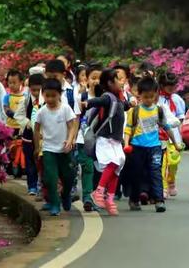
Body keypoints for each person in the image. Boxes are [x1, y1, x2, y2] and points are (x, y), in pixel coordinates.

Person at [124, 77, 180, 213]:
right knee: (136, 174)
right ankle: (134, 199)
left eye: (151, 96)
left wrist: (175, 143)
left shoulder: (159, 111)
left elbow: (166, 127)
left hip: (155, 147)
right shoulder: (134, 111)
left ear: (156, 94)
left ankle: (159, 200)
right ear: (139, 95)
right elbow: (128, 129)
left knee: (156, 173)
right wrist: (126, 144)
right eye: (145, 97)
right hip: (137, 147)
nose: (149, 99)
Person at [84, 69, 127, 216]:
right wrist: (87, 103)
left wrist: (132, 104)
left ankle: (109, 198)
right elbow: (98, 101)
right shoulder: (108, 97)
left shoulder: (119, 99)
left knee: (117, 167)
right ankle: (99, 191)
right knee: (113, 163)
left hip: (115, 140)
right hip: (105, 139)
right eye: (118, 80)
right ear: (110, 83)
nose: (122, 82)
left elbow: (124, 107)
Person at [34, 79, 78, 216]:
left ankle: (66, 195)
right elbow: (36, 129)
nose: (50, 99)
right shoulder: (41, 112)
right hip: (48, 150)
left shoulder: (65, 109)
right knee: (50, 178)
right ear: (43, 95)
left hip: (64, 150)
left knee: (68, 176)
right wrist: (37, 147)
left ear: (59, 94)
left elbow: (72, 126)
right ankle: (54, 203)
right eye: (47, 95)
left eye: (53, 95)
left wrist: (69, 141)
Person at [73, 63, 103, 212]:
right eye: (93, 78)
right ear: (87, 79)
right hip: (83, 139)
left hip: (102, 140)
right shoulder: (81, 97)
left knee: (99, 170)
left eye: (99, 78)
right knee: (87, 167)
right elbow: (76, 119)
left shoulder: (107, 98)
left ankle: (96, 196)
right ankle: (87, 198)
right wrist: (72, 137)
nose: (96, 81)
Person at [14, 73, 45, 195]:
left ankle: (43, 186)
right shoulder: (25, 100)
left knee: (42, 162)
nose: (36, 92)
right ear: (29, 88)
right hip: (28, 136)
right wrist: (27, 122)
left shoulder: (46, 100)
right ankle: (32, 186)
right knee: (30, 161)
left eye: (39, 90)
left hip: (43, 136)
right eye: (33, 90)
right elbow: (18, 115)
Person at [158, 72, 185, 198]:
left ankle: (171, 179)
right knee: (162, 163)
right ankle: (163, 187)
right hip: (160, 135)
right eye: (167, 85)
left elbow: (181, 119)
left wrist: (183, 135)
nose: (170, 88)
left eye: (172, 85)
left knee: (173, 162)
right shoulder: (156, 98)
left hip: (175, 136)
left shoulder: (177, 100)